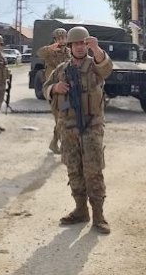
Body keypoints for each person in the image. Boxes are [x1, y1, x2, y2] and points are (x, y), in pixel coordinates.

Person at [44, 26, 113, 234]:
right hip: (68, 128)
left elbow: (107, 69)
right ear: (70, 46)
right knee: (74, 170)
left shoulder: (94, 65)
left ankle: (98, 216)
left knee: (93, 171)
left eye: (84, 43)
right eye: (76, 44)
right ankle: (81, 210)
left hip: (91, 127)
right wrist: (55, 88)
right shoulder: (62, 70)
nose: (80, 47)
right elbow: (45, 88)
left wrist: (97, 50)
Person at [37, 27, 70, 154]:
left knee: (64, 117)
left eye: (63, 37)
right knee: (60, 117)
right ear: (55, 39)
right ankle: (59, 143)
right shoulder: (50, 51)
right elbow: (39, 53)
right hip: (53, 91)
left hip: (65, 90)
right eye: (59, 38)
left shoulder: (68, 52)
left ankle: (55, 142)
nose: (61, 40)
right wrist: (49, 48)